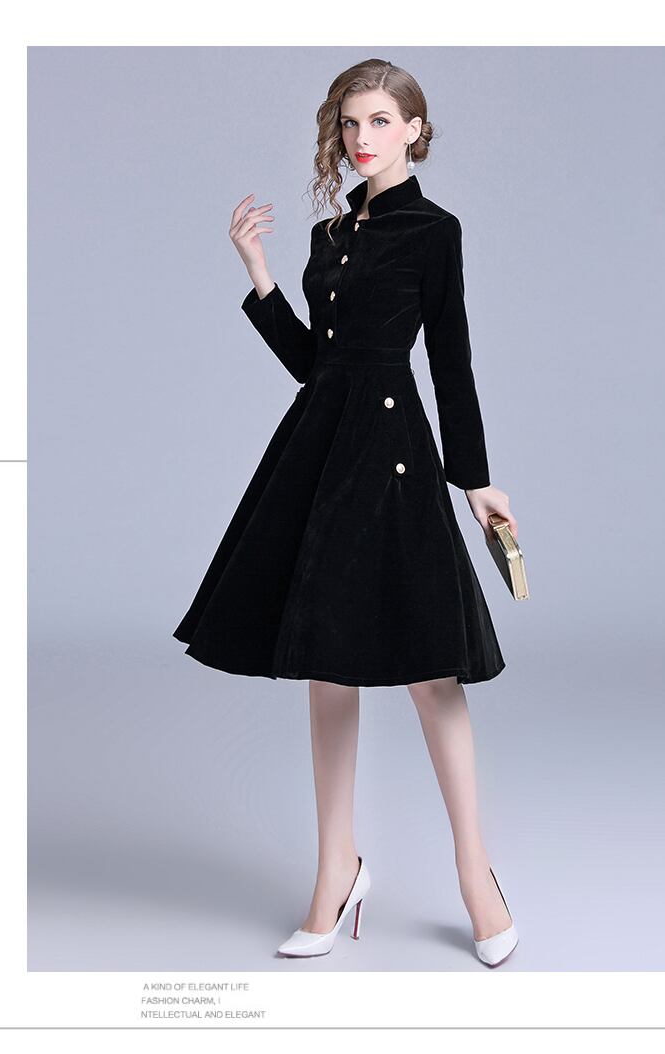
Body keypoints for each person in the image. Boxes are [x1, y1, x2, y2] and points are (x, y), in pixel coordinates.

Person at [173, 58, 519, 967]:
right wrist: (260, 276)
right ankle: (337, 871)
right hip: (320, 452)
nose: (361, 138)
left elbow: (451, 359)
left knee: (430, 671)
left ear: (414, 129)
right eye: (350, 123)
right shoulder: (329, 235)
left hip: (395, 455)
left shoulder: (434, 231)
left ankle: (475, 875)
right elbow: (313, 365)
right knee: (327, 667)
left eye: (379, 121)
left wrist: (476, 480)